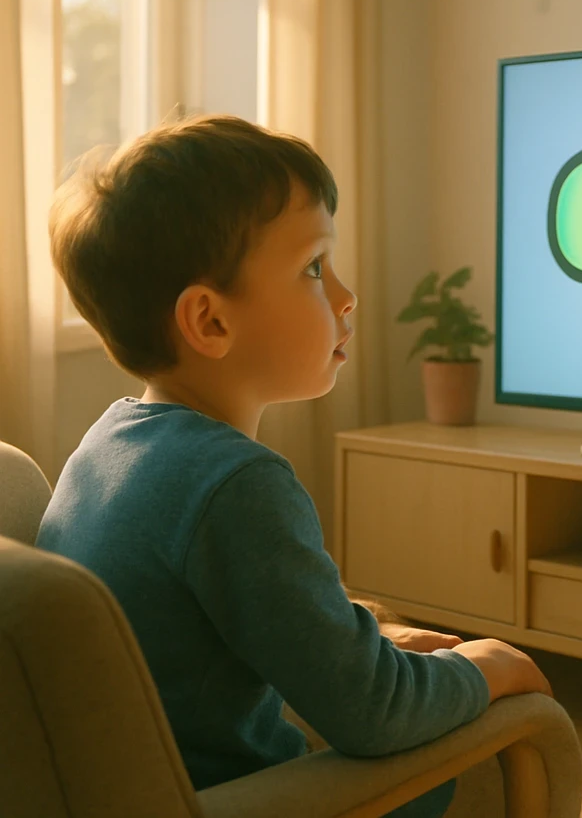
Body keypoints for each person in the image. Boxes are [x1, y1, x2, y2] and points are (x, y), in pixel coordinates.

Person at [36, 114, 552, 817]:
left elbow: (209, 622)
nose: (346, 297)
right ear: (210, 322)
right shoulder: (235, 484)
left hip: (135, 785)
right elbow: (372, 713)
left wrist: (362, 633)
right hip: (238, 799)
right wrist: (485, 670)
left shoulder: (109, 444)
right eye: (313, 268)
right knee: (503, 745)